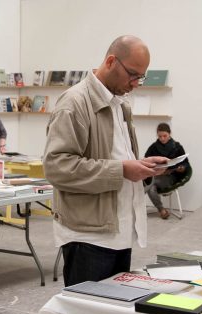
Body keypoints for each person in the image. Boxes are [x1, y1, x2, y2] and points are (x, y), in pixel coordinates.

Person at [42, 35, 168, 287]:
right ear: (111, 61)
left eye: (140, 77)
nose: (136, 83)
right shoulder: (75, 103)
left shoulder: (121, 104)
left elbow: (117, 157)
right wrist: (121, 170)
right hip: (89, 236)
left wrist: (142, 166)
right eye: (133, 75)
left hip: (119, 230)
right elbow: (56, 166)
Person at [144, 122, 191, 219]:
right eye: (160, 136)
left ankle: (161, 210)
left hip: (171, 176)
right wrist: (154, 166)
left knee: (150, 185)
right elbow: (145, 161)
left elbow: (186, 163)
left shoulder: (177, 147)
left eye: (165, 136)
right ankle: (161, 209)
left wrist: (182, 168)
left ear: (170, 133)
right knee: (147, 184)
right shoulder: (153, 147)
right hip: (156, 175)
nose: (162, 139)